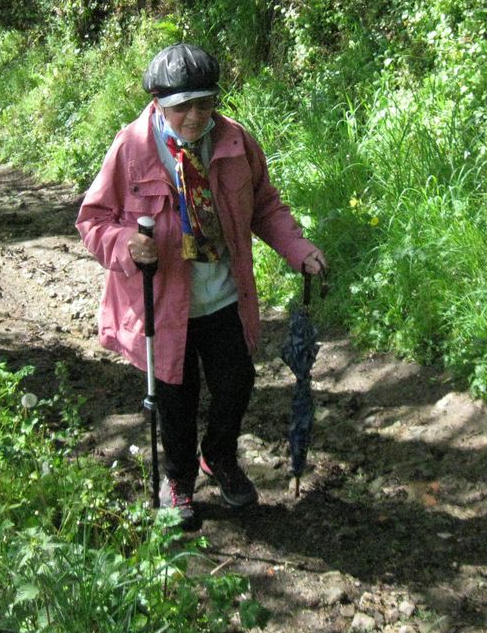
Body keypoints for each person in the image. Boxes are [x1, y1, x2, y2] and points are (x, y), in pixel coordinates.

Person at [76, 43, 326, 531]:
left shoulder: (234, 142)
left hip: (225, 296)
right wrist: (127, 243)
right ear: (158, 103)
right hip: (165, 307)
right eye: (182, 106)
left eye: (204, 103)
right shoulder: (131, 147)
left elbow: (264, 206)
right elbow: (93, 220)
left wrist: (297, 248)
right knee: (175, 398)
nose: (195, 116)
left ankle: (220, 456)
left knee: (237, 384)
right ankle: (180, 479)